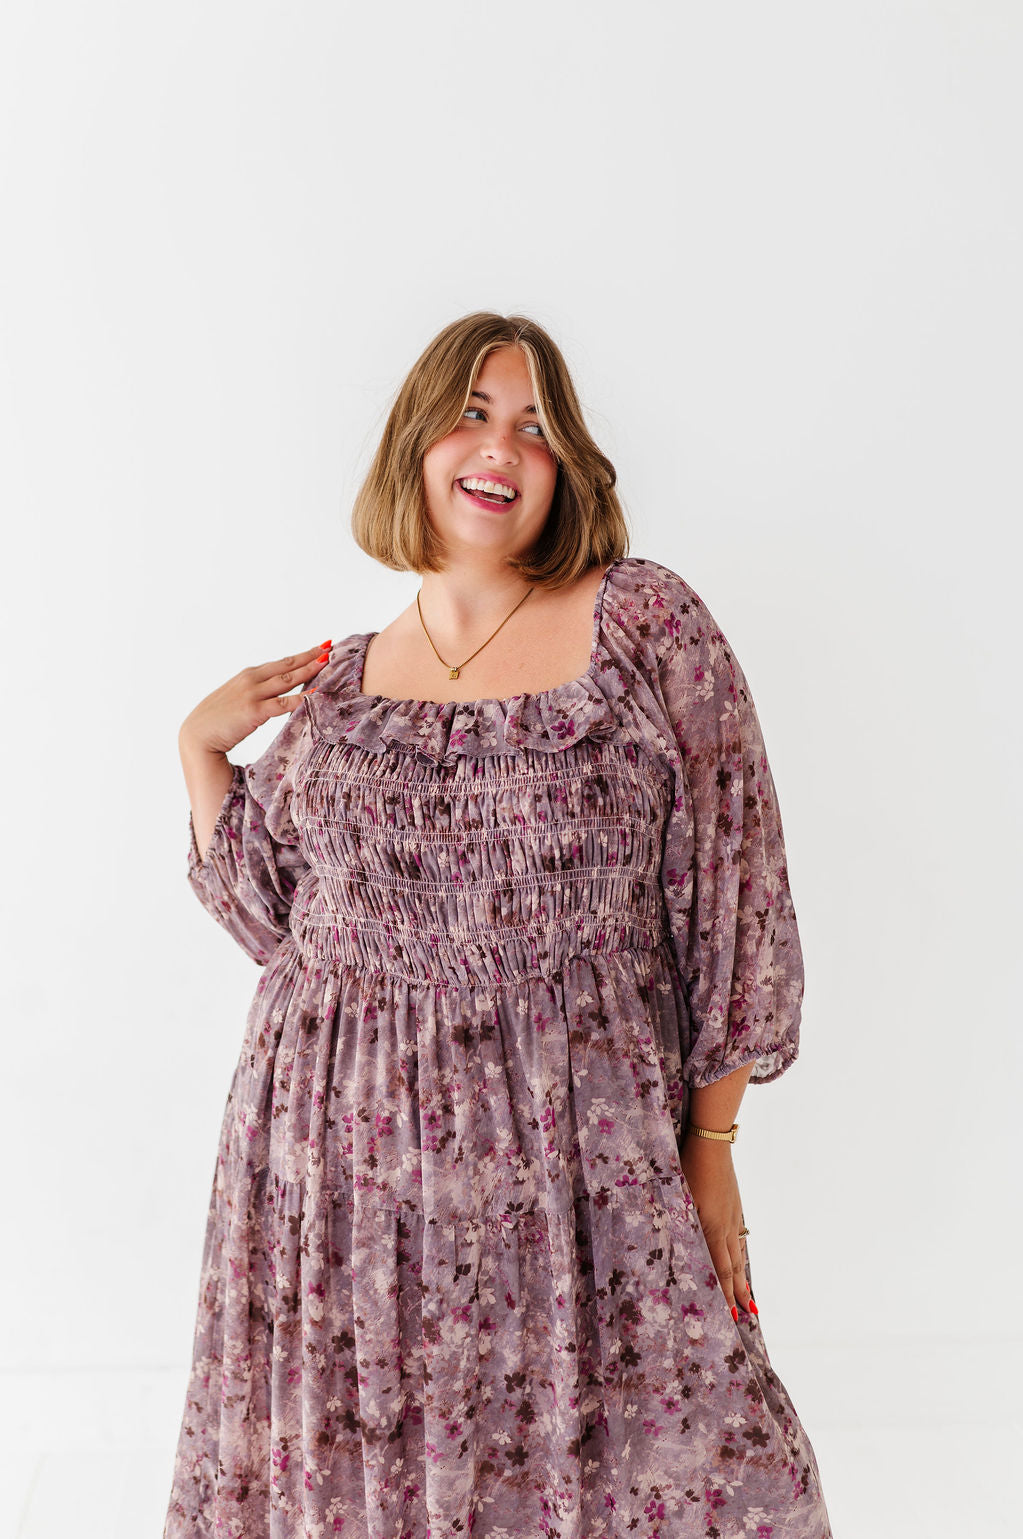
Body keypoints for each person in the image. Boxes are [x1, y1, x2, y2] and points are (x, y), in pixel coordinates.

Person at [165, 312, 832, 1537]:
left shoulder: (643, 626)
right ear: (415, 443)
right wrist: (202, 749)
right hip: (342, 1196)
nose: (500, 448)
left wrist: (714, 1148)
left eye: (535, 427)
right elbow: (277, 923)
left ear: (566, 466)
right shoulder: (343, 689)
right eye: (472, 413)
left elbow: (736, 887)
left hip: (582, 1179)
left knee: (702, 1468)